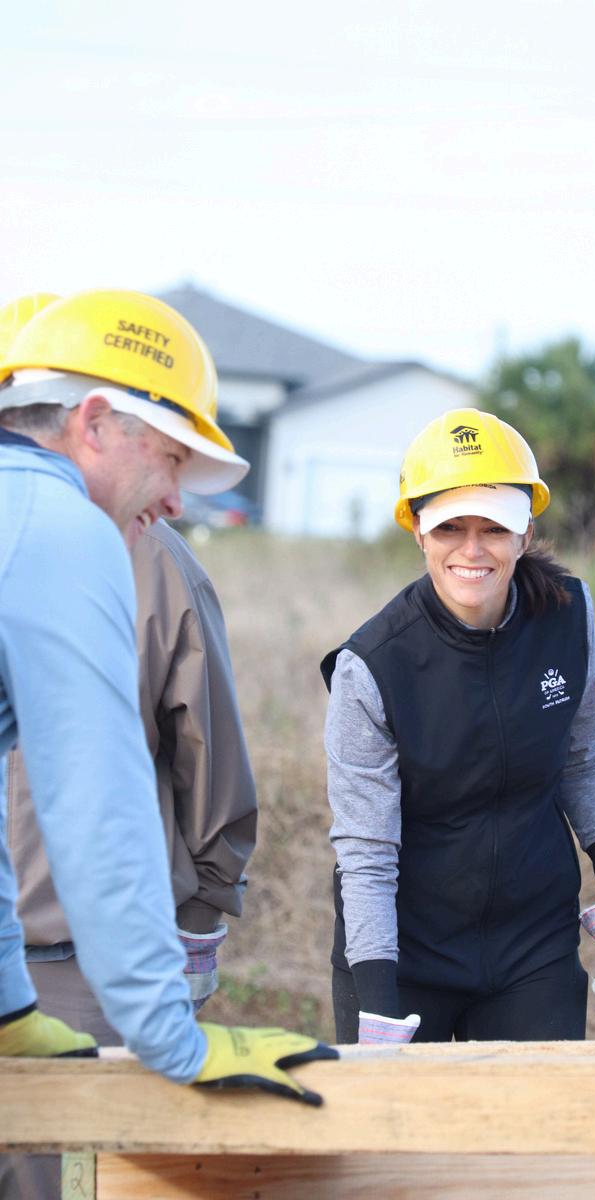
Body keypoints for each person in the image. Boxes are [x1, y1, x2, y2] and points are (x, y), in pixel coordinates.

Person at [0, 290, 336, 1103]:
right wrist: (168, 1036)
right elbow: (96, 801)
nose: (179, 501)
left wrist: (7, 1006)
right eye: (172, 458)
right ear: (94, 422)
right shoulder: (60, 527)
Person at [321, 407, 595, 1045]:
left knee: (536, 1113)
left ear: (525, 532)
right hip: (407, 955)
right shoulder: (372, 666)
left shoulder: (566, 616)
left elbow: (585, 757)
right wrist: (377, 1009)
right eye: (450, 527)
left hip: (533, 947)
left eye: (494, 527)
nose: (472, 549)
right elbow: (366, 854)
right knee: (399, 1117)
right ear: (418, 532)